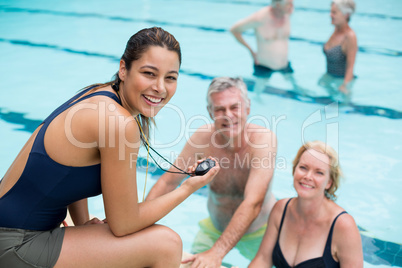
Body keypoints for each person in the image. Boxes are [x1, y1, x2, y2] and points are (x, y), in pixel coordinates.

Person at [0, 27, 220, 268]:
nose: (160, 88)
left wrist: (83, 224)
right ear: (123, 69)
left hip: (16, 229)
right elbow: (124, 224)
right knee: (166, 244)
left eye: (170, 77)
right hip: (15, 243)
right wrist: (188, 187)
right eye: (149, 73)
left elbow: (73, 167)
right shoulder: (117, 121)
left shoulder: (100, 93)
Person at [147, 77, 277, 267]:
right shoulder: (203, 139)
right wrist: (139, 223)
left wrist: (216, 253)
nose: (228, 115)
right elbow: (168, 182)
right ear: (210, 112)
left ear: (247, 107)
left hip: (260, 234)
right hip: (214, 229)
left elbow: (253, 202)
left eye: (235, 107)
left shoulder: (263, 141)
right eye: (219, 109)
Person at [249, 141, 363, 267]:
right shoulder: (281, 210)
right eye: (303, 168)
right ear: (294, 170)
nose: (308, 176)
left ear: (329, 182)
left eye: (319, 172)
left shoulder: (343, 226)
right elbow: (263, 259)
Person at [230, 0, 300, 96]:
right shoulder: (260, 18)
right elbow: (234, 30)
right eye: (288, 4)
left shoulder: (287, 14)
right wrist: (250, 50)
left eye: (292, 3)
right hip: (264, 65)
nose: (292, 7)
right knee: (258, 91)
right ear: (278, 5)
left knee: (293, 82)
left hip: (284, 63)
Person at [319, 0, 357, 100]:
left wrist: (345, 86)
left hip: (340, 82)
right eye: (331, 12)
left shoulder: (350, 37)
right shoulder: (336, 29)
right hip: (329, 78)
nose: (330, 15)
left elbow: (350, 68)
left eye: (334, 13)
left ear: (346, 15)